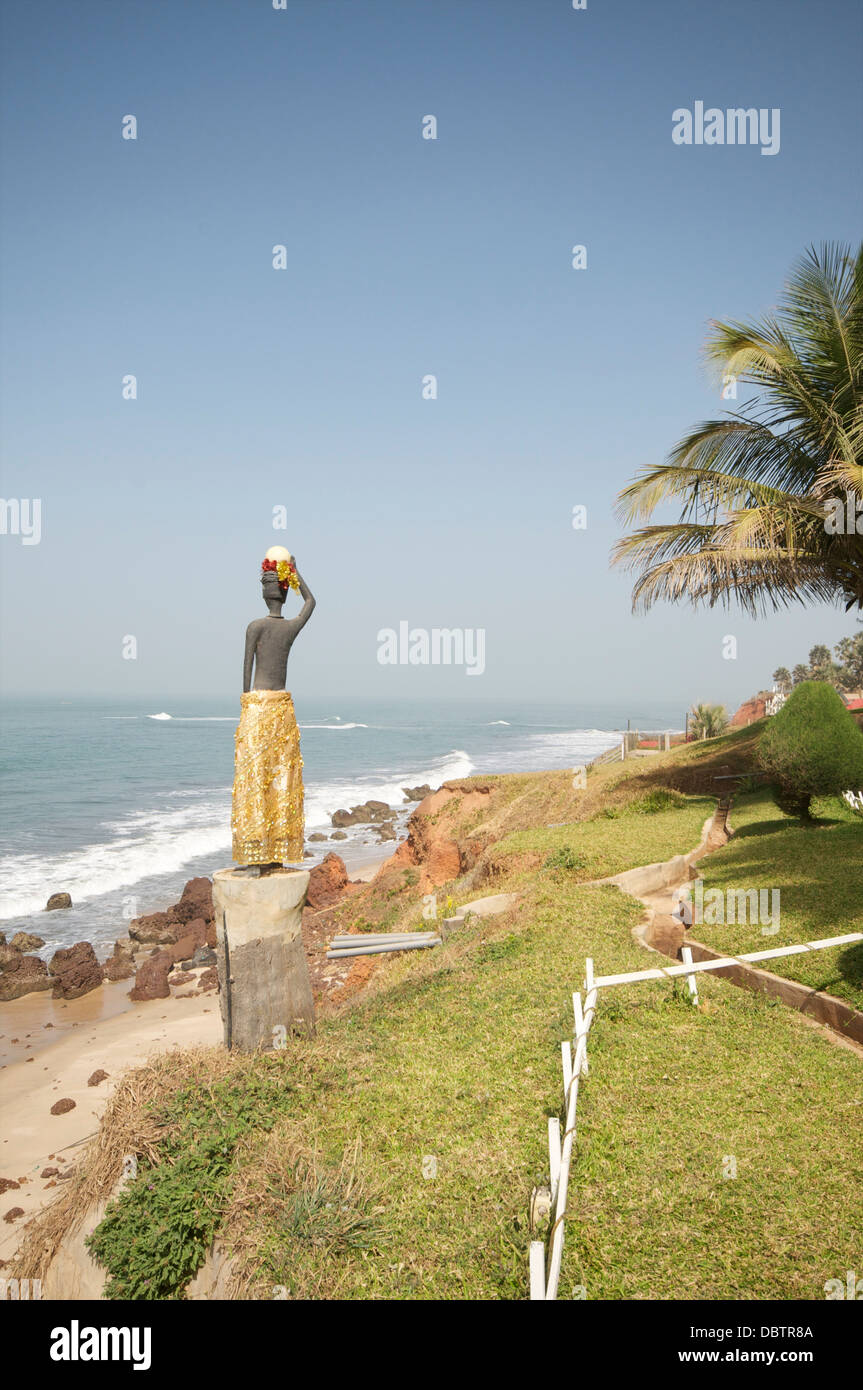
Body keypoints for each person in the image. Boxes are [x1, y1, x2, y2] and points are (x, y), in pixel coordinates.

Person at [231, 548, 315, 869]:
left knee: (254, 778)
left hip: (257, 708)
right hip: (282, 709)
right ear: (284, 591)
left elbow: (246, 673)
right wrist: (295, 573)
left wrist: (246, 707)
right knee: (281, 777)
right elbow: (311, 602)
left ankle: (257, 854)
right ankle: (277, 852)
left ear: (265, 591)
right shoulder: (289, 628)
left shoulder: (255, 627)